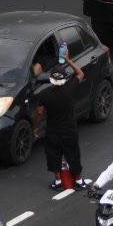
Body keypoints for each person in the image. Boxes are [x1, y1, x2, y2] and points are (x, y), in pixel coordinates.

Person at [34, 56, 85, 191]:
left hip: (53, 131)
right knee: (73, 154)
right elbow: (80, 73)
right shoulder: (70, 88)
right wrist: (68, 60)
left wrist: (36, 128)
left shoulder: (44, 95)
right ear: (64, 78)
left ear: (51, 78)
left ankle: (58, 181)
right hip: (69, 130)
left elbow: (39, 113)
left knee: (53, 155)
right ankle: (79, 181)